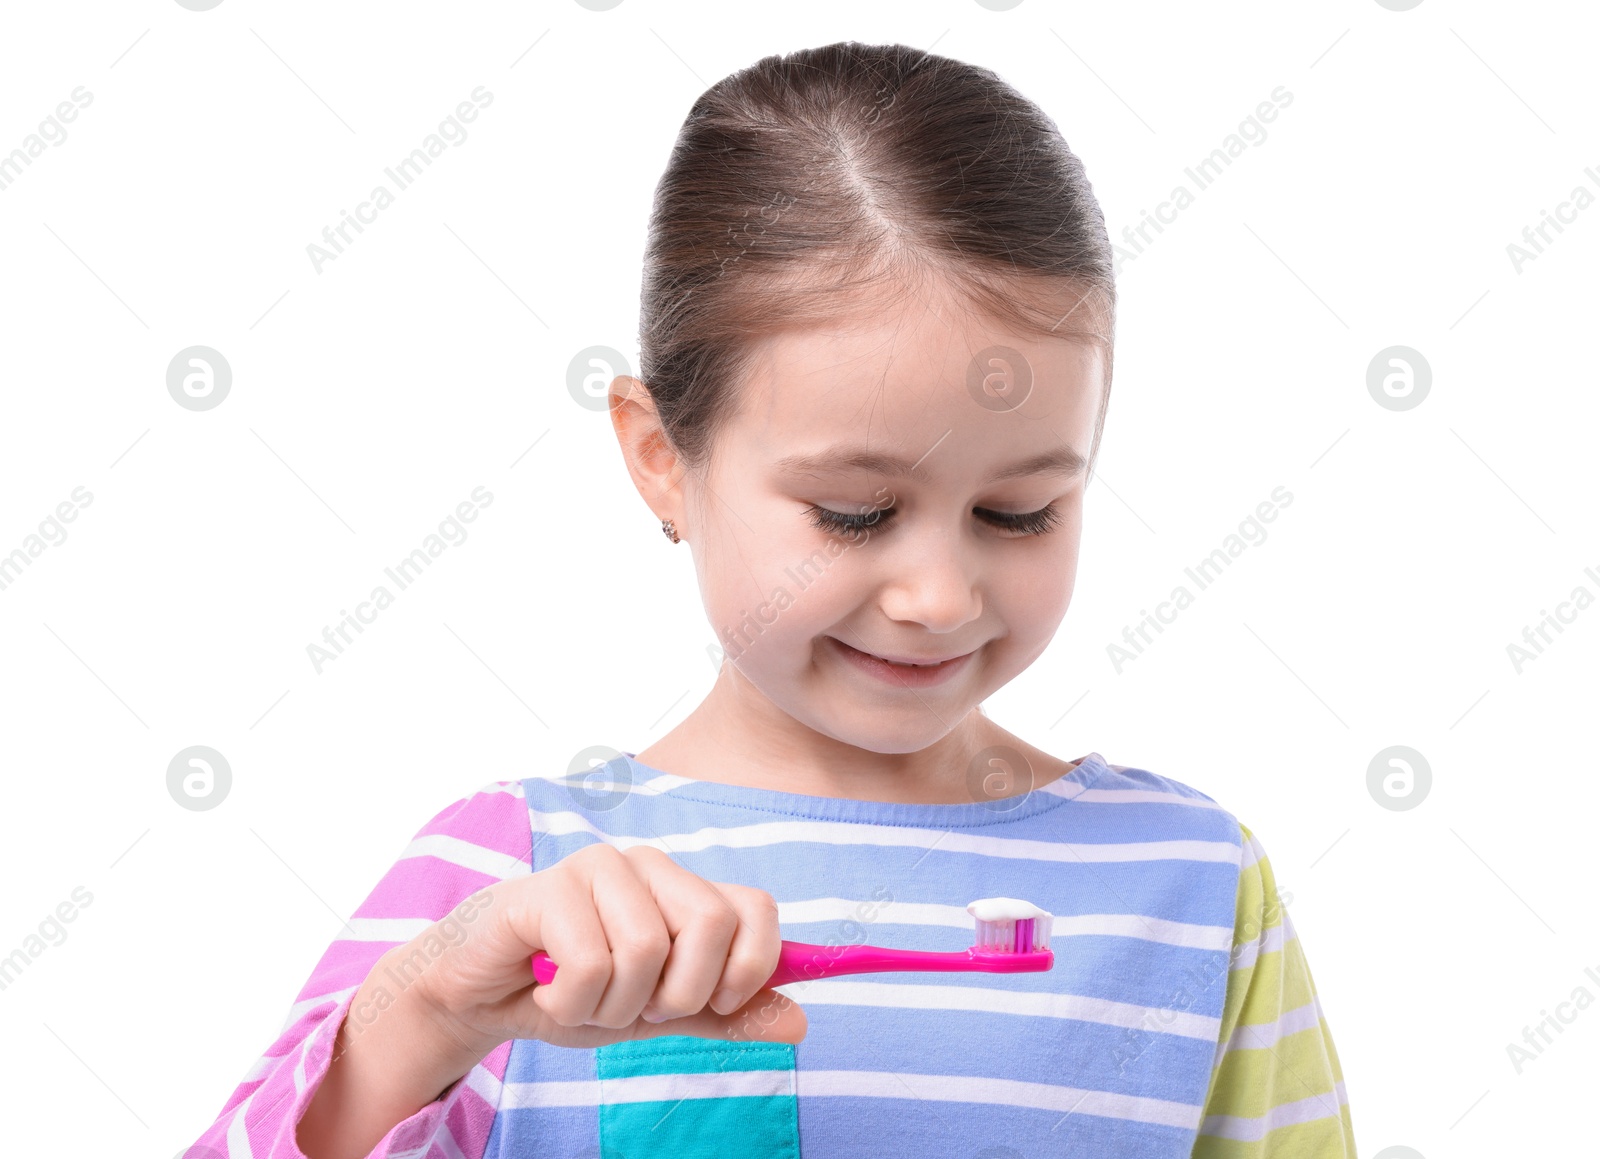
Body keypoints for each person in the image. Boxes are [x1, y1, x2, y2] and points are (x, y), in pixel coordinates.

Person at [185, 40, 1355, 1159]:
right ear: (659, 456)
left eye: (1020, 512)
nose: (939, 597)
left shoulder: (1196, 882)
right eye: (853, 513)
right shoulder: (510, 874)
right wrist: (423, 1019)